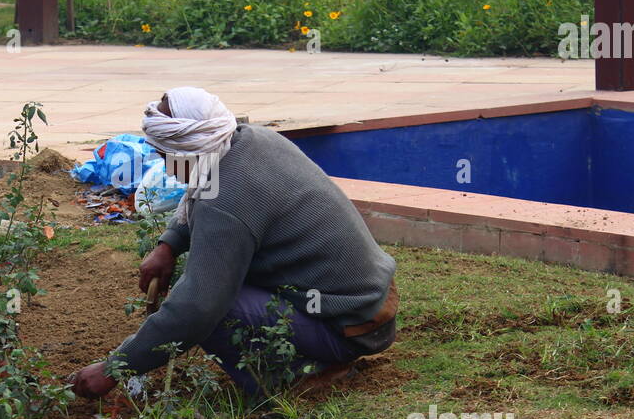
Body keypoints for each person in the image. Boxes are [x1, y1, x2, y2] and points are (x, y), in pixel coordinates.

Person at [68, 87, 398, 401]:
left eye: (164, 156)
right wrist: (168, 244)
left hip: (347, 326)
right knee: (210, 281)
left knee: (213, 307)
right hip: (369, 303)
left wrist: (114, 368)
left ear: (186, 150)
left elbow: (197, 309)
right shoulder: (246, 141)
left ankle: (299, 376)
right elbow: (199, 197)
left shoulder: (226, 199)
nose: (166, 166)